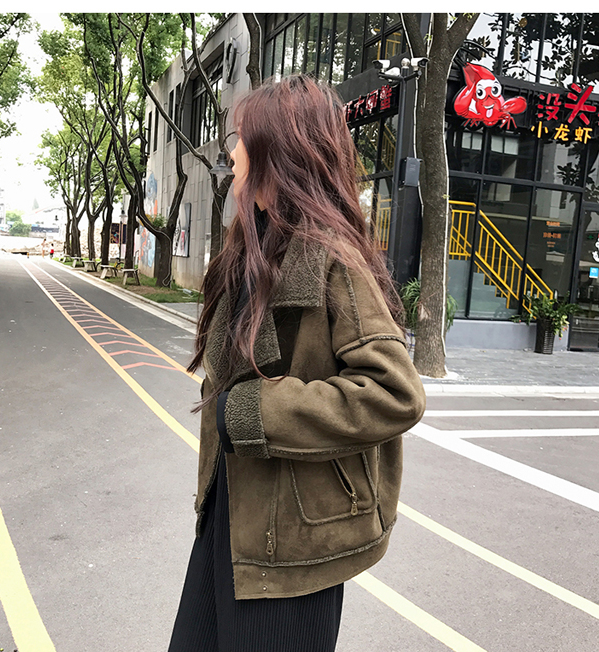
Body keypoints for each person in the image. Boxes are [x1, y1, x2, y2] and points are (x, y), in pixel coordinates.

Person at [167, 74, 426, 652]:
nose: (232, 152)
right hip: (233, 514)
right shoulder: (256, 247)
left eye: (240, 138)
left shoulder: (333, 260)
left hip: (293, 544)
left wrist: (257, 411)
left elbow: (395, 392)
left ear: (276, 152)